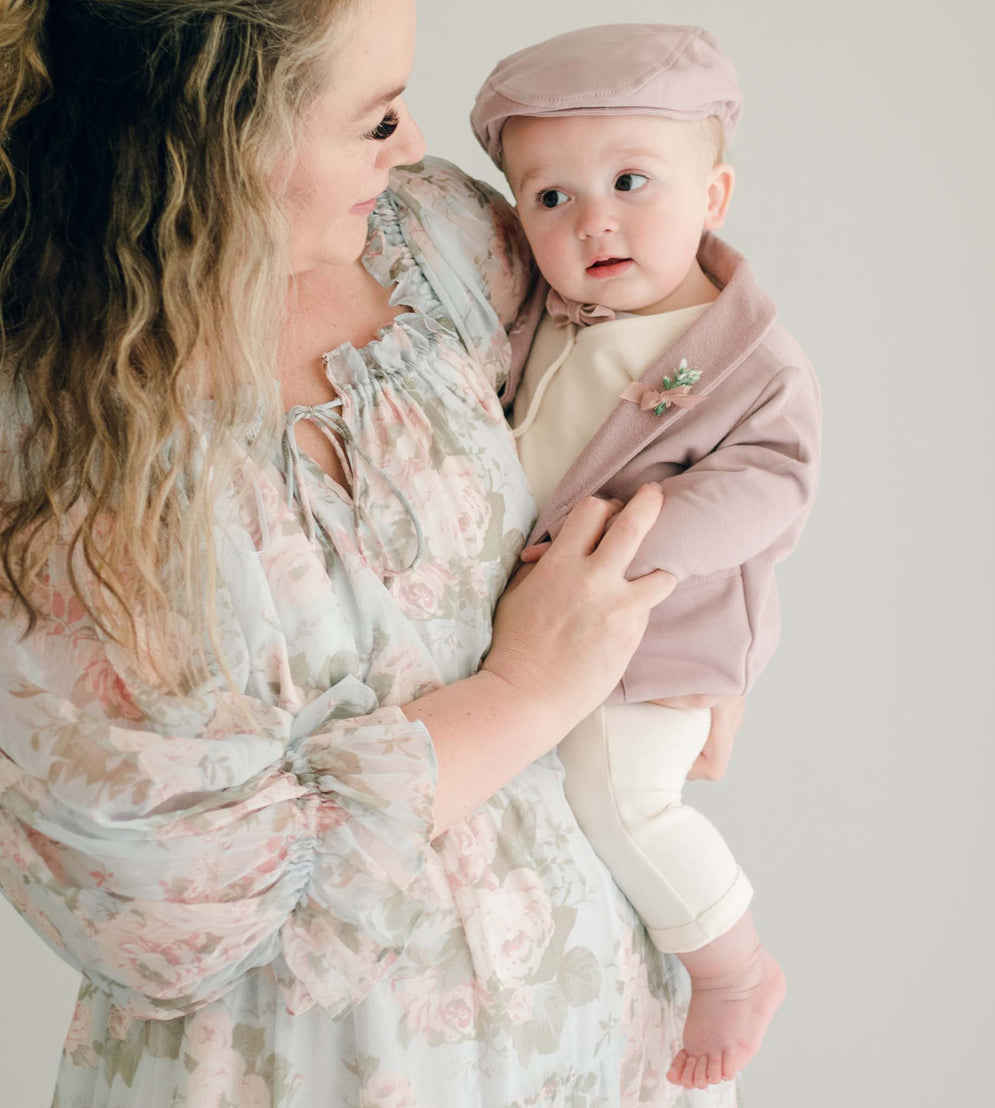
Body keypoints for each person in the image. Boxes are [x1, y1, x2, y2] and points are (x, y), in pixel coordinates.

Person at [0, 0, 746, 1104]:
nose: (411, 145)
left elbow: (684, 390)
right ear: (220, 138)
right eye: (374, 117)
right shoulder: (46, 426)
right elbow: (161, 908)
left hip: (601, 1037)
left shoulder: (438, 238)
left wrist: (710, 626)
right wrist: (526, 693)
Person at [470, 23, 822, 1089]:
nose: (594, 221)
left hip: (654, 640)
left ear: (713, 195)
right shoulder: (547, 317)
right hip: (549, 641)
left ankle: (733, 965)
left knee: (617, 792)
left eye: (631, 180)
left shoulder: (740, 352)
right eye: (551, 198)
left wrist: (635, 544)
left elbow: (773, 481)